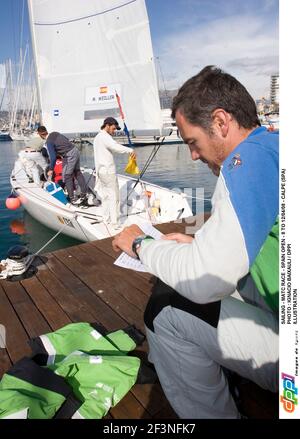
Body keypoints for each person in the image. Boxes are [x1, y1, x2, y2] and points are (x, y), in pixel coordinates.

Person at [111, 66, 279, 418]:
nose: (192, 155)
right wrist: (198, 242)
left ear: (220, 122)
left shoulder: (246, 160)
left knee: (166, 307)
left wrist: (141, 244)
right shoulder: (274, 147)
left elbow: (204, 282)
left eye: (192, 142)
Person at [93, 117, 136, 228]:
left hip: (101, 172)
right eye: (113, 128)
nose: (114, 131)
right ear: (107, 125)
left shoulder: (98, 137)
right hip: (108, 172)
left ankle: (105, 218)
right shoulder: (105, 137)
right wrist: (130, 150)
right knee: (114, 198)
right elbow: (115, 147)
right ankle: (114, 223)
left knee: (106, 196)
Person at [37, 126, 87, 204]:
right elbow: (65, 141)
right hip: (75, 150)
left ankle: (71, 199)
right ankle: (84, 194)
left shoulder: (48, 142)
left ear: (40, 134)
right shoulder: (55, 133)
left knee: (67, 176)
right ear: (46, 131)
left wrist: (50, 169)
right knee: (77, 172)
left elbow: (53, 158)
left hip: (69, 155)